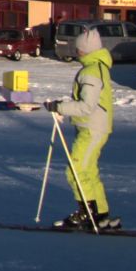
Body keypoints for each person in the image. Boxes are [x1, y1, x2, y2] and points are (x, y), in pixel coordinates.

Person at [47, 25, 118, 230]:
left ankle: (87, 213)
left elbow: (87, 106)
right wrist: (64, 106)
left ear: (86, 49)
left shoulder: (91, 71)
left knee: (76, 170)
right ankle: (101, 213)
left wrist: (60, 107)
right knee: (88, 171)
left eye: (78, 47)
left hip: (92, 128)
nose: (76, 51)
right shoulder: (97, 67)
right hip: (94, 127)